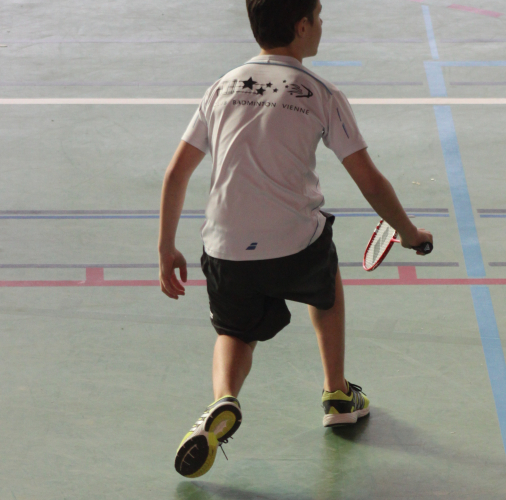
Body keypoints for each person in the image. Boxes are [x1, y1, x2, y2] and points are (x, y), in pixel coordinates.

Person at [158, 0, 433, 478]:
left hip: (224, 245)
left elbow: (176, 173)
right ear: (302, 26)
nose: (322, 26)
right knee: (323, 282)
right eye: (320, 18)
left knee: (235, 333)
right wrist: (409, 233)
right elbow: (368, 180)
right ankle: (337, 393)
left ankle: (223, 401)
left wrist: (166, 246)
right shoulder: (321, 92)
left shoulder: (222, 87)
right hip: (294, 246)